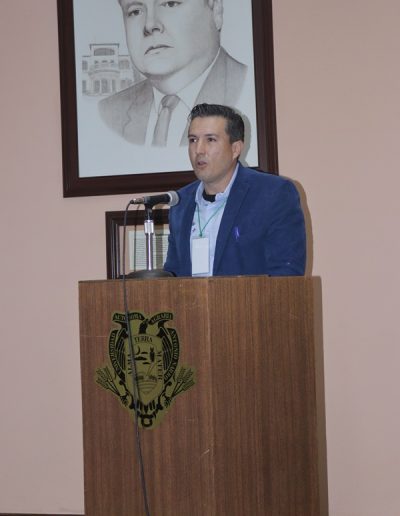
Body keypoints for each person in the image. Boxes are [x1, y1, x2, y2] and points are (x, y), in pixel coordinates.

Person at [164, 104, 306, 277]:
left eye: (210, 140)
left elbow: (286, 275)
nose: (199, 150)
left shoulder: (273, 194)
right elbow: (172, 275)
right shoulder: (181, 202)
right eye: (193, 140)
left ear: (235, 149)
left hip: (252, 296)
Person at [99, 0, 247, 146]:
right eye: (135, 11)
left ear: (216, 11)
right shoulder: (109, 112)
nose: (149, 25)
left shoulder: (249, 88)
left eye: (170, 4)